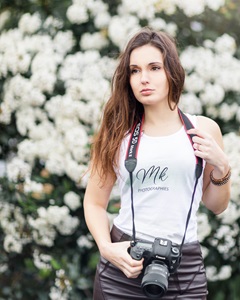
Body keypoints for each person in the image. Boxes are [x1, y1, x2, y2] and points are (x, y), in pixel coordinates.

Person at [83, 27, 231, 300]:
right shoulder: (119, 133)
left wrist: (223, 167)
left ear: (171, 72)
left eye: (154, 68)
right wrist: (106, 247)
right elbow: (94, 202)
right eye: (135, 71)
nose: (144, 79)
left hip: (183, 267)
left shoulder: (204, 130)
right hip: (125, 262)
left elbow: (217, 205)